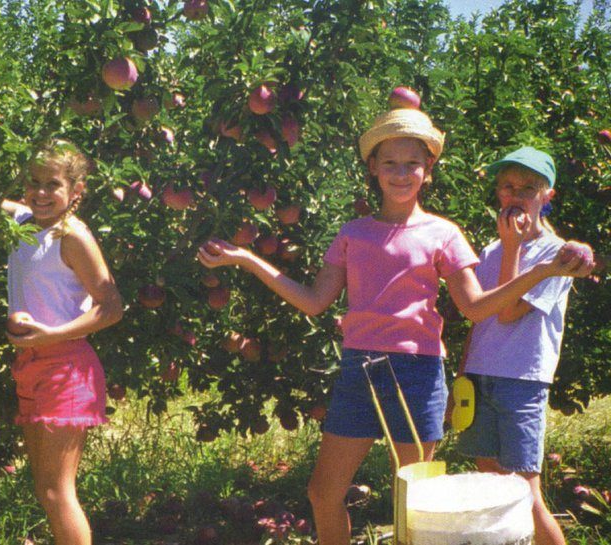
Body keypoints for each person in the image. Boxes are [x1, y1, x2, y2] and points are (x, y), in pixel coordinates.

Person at [196, 109, 594, 545]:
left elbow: (477, 308)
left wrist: (544, 271)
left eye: (412, 164)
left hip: (417, 375)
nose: (401, 173)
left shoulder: (444, 233)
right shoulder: (353, 233)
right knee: (323, 492)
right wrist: (248, 259)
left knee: (414, 506)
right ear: (373, 168)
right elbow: (314, 302)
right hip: (358, 372)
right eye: (390, 163)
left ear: (428, 171)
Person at [0, 140, 124, 545]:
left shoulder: (73, 237)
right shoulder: (24, 220)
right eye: (34, 182)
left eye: (53, 185)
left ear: (75, 192)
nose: (41, 192)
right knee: (45, 491)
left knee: (58, 492)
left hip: (66, 367)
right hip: (32, 366)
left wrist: (52, 335)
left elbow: (112, 307)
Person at [453, 147, 594, 545]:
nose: (516, 195)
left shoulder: (558, 254)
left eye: (529, 188)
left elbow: (510, 312)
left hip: (522, 381)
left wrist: (513, 248)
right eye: (508, 186)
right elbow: (479, 317)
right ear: (498, 193)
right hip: (481, 379)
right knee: (490, 487)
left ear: (546, 196)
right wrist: (462, 378)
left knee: (524, 494)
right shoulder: (491, 251)